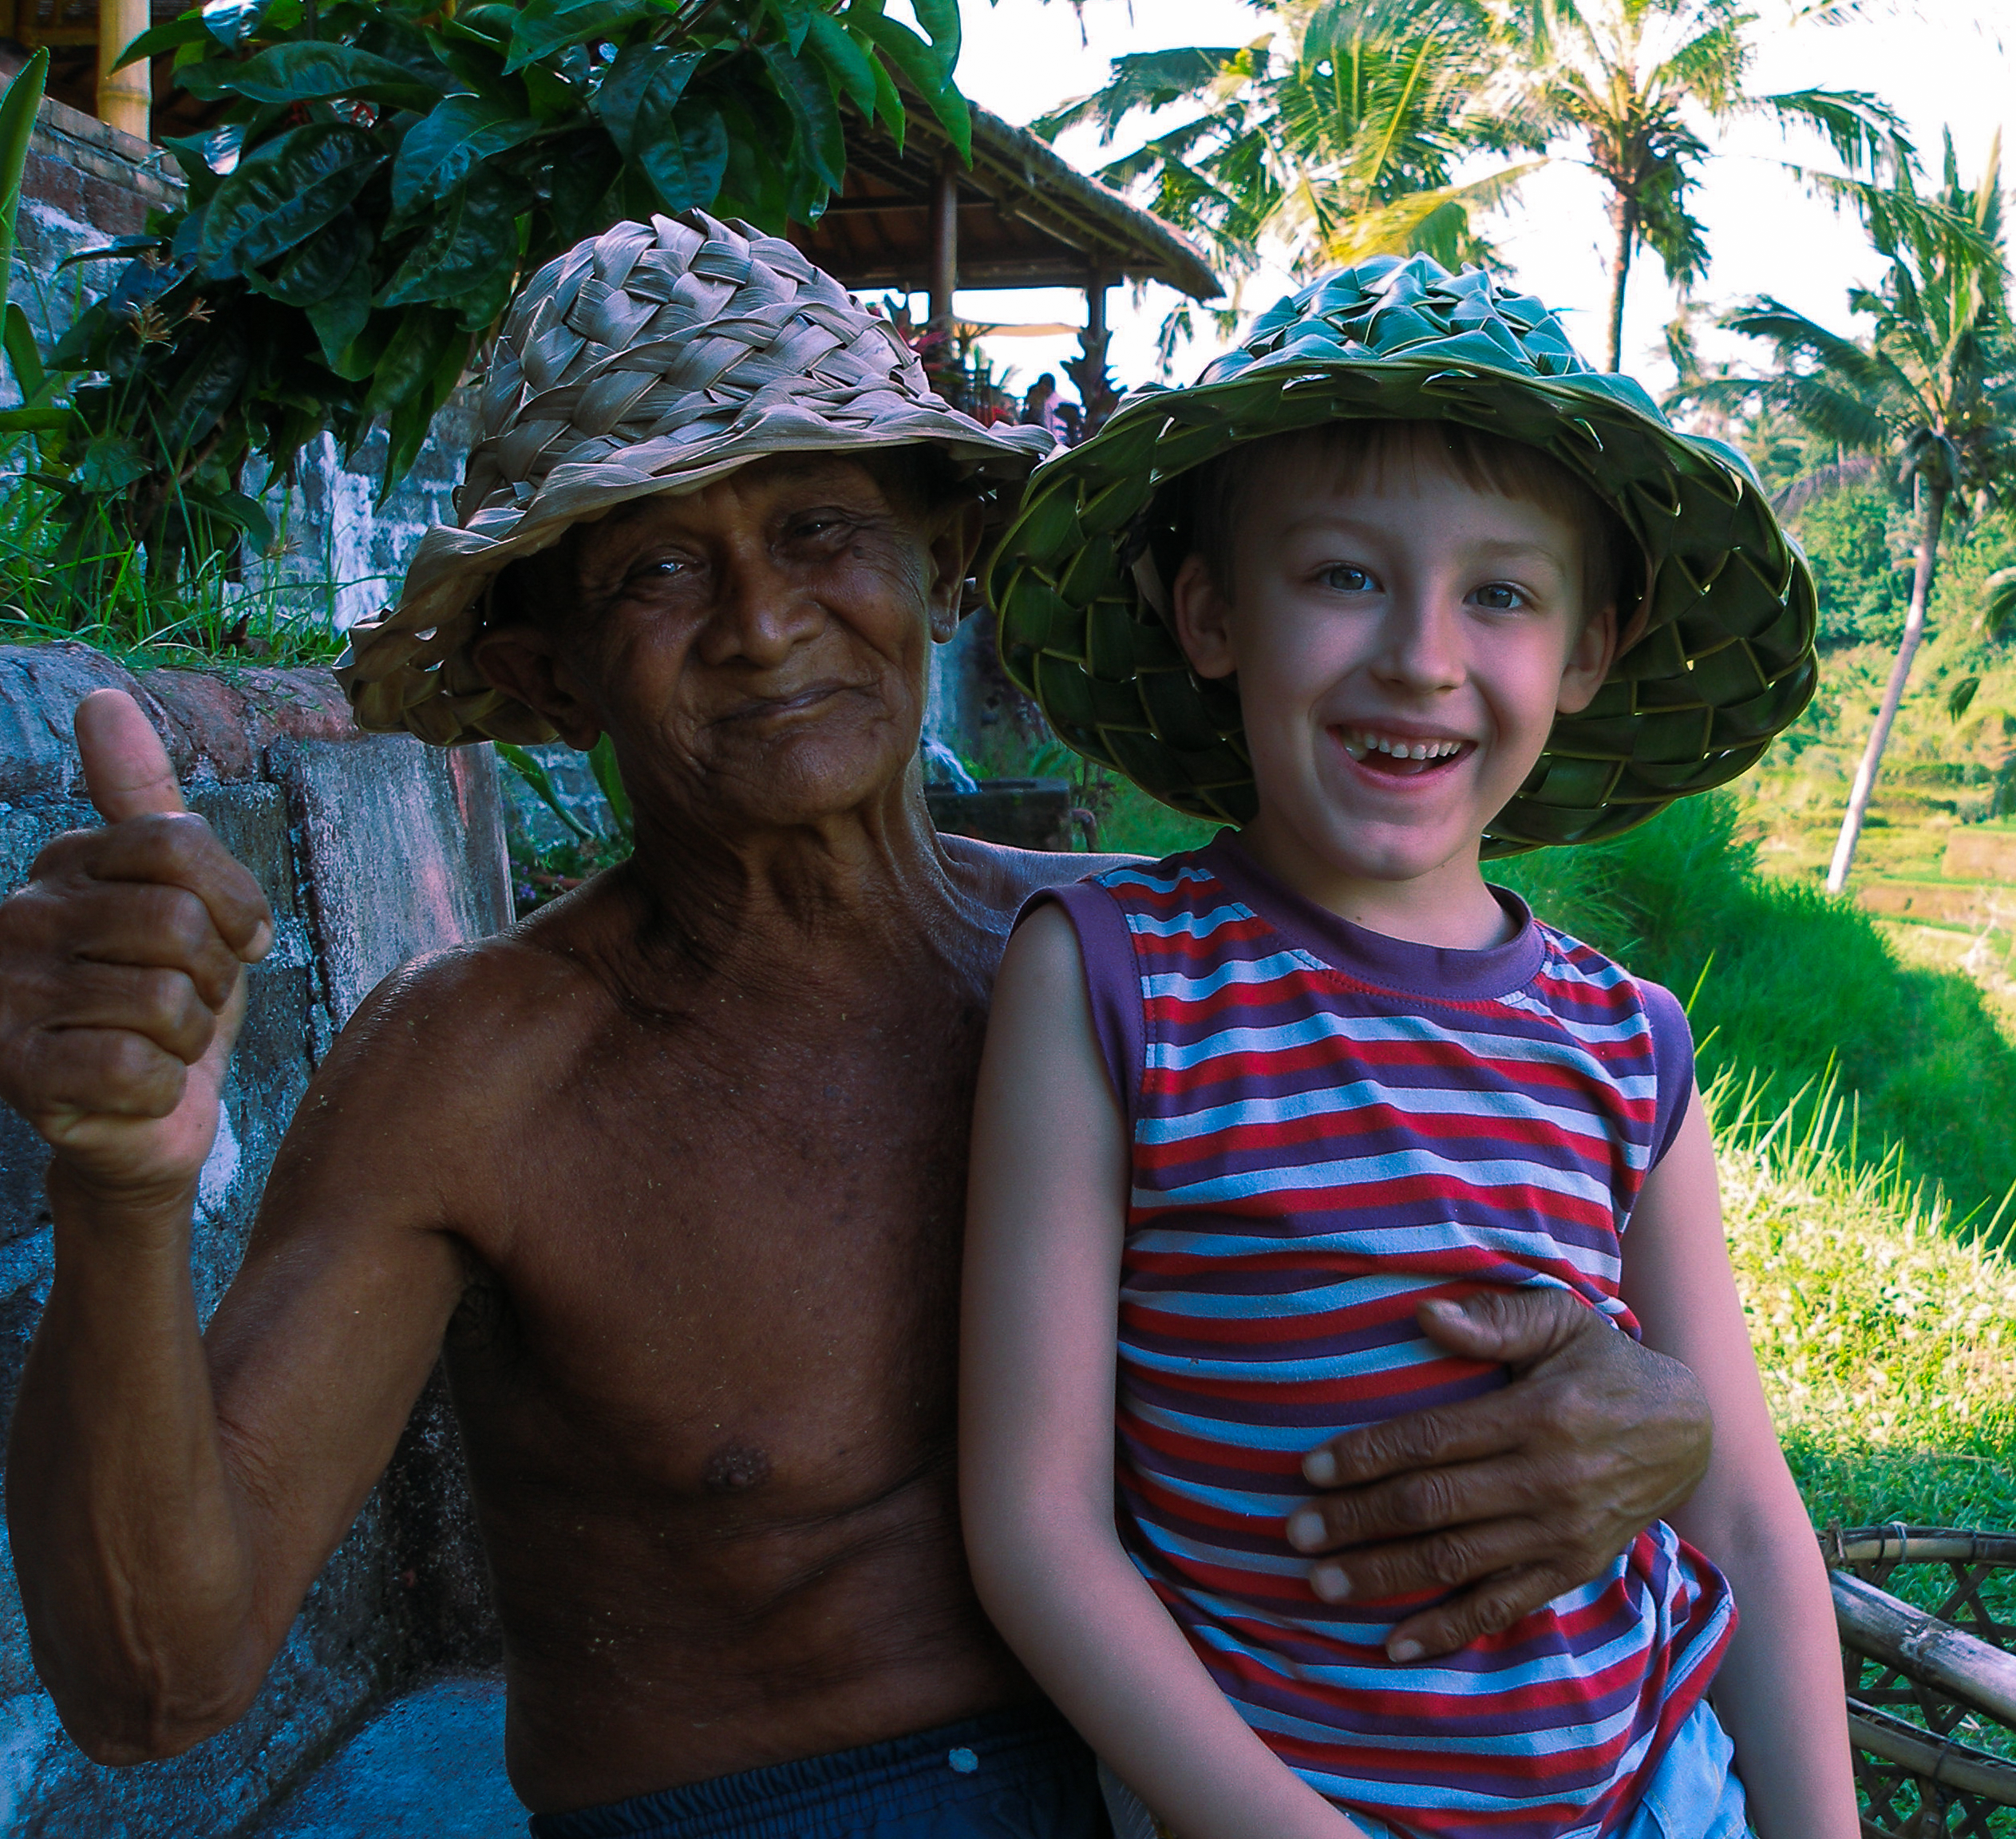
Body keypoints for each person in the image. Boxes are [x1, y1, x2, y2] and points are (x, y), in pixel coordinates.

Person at [0, 219, 1715, 1839]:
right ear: (545, 676)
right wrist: (126, 1201)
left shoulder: (1160, 973)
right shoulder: (476, 1074)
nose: (762, 626)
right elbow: (156, 1685)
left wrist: (1663, 1426)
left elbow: (1516, 1213)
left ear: (940, 564)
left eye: (820, 532)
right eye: (659, 569)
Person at [962, 255, 1852, 1839]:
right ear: (1212, 611)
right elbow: (1036, 1526)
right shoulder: (1110, 982)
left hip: (1655, 1797)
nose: (1423, 657)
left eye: (1501, 594)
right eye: (1344, 577)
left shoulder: (1630, 1040)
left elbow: (1741, 1507)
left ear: (1587, 652)